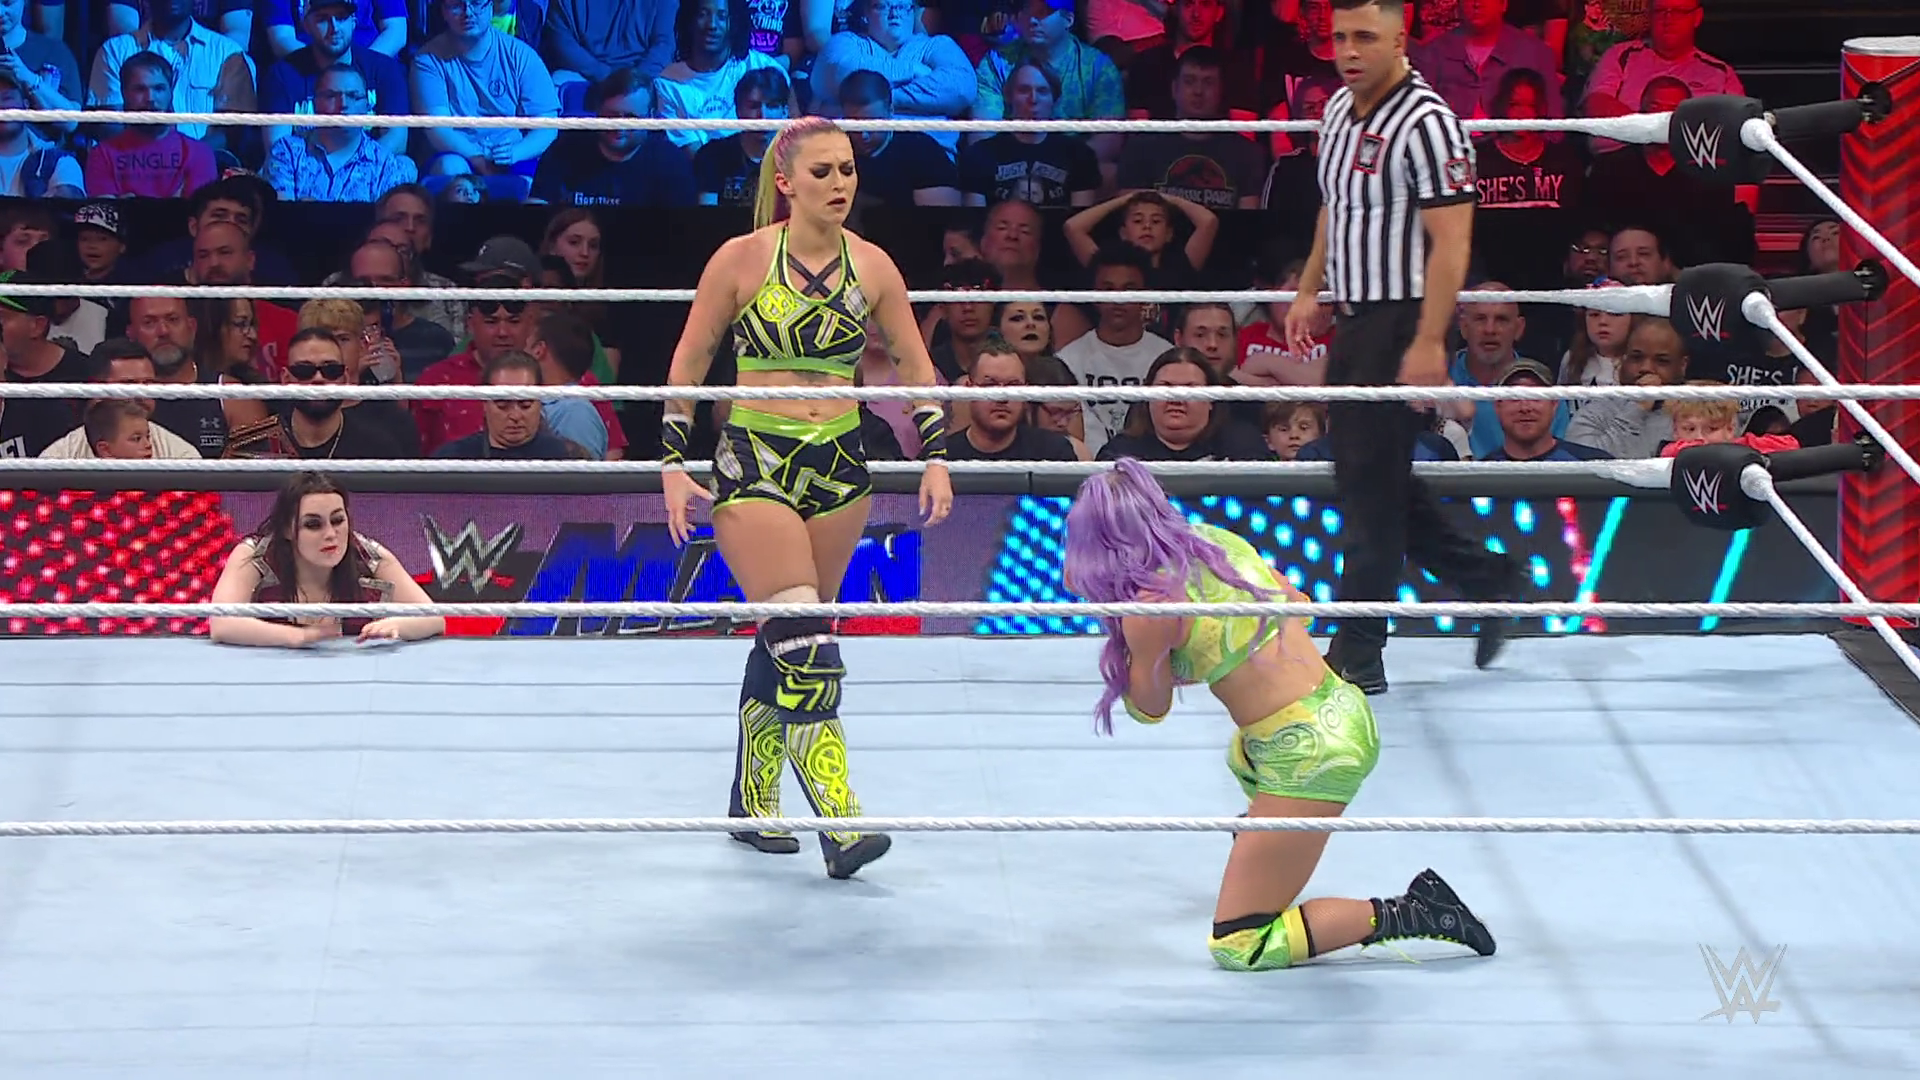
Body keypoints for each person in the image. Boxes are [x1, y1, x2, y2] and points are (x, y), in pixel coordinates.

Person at [660, 114, 954, 881]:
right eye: (822, 171)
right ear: (786, 182)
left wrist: (936, 456)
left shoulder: (874, 266)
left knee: (790, 638)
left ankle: (753, 800)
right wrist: (672, 464)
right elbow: (690, 361)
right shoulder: (741, 259)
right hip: (756, 460)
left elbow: (916, 366)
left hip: (841, 467)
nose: (839, 183)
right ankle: (841, 821)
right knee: (809, 648)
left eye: (848, 169)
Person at [1063, 459, 1497, 971]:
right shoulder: (1216, 544)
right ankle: (1265, 843)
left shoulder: (1150, 607)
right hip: (1340, 705)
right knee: (1244, 751)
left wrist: (1142, 657)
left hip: (1311, 755)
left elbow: (1150, 709)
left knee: (1240, 946)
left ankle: (1419, 910)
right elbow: (1299, 605)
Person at [1284, 0, 1517, 696]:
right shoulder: (1336, 110)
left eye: (1365, 37)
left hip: (1401, 318)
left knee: (1370, 494)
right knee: (1367, 479)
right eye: (1339, 38)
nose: (1349, 51)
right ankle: (1488, 577)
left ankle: (1359, 651)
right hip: (1356, 321)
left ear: (1399, 40)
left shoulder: (1429, 123)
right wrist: (1308, 288)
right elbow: (1332, 206)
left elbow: (1452, 243)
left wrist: (1428, 338)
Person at [207, 471, 446, 647]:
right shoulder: (253, 555)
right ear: (288, 530)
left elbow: (434, 618)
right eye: (313, 524)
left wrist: (397, 625)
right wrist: (297, 637)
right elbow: (222, 624)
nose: (331, 534)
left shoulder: (371, 557)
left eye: (338, 520)